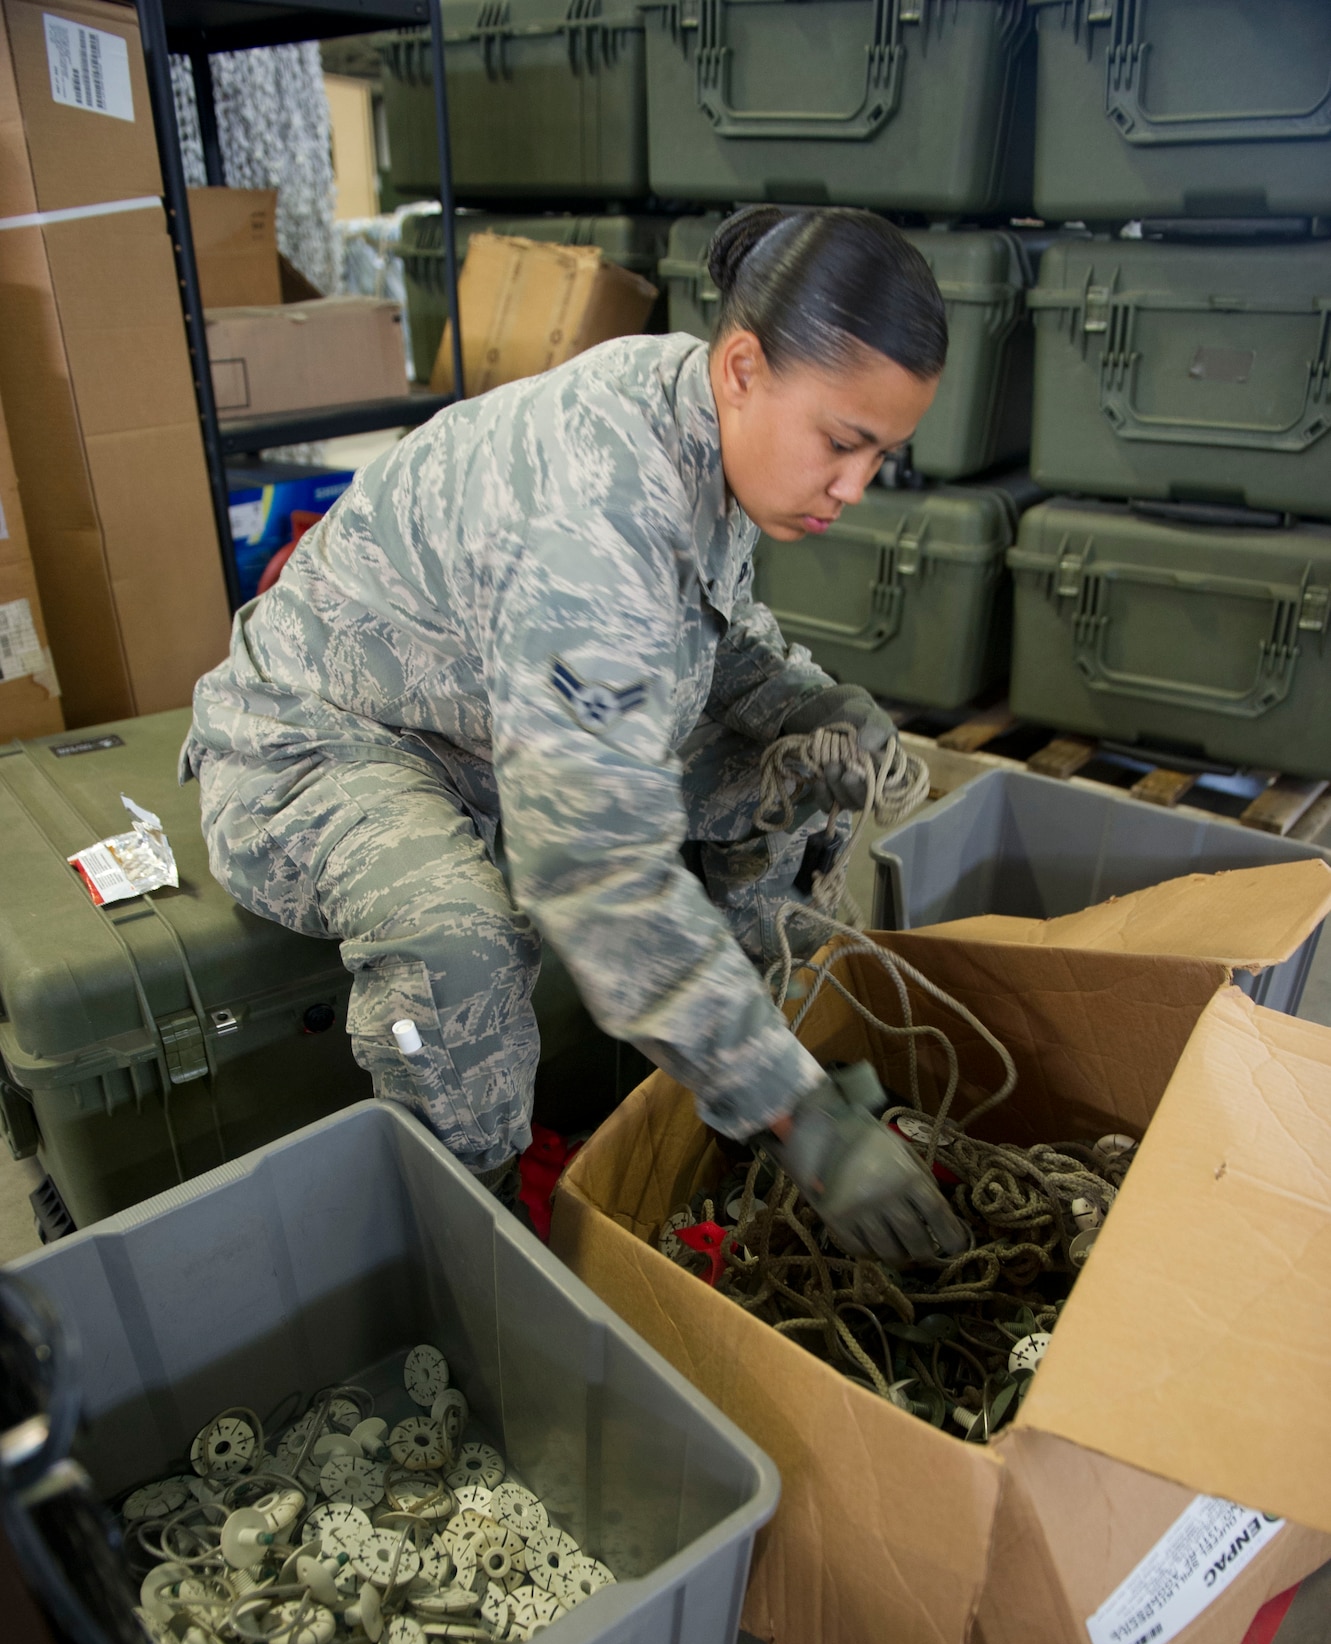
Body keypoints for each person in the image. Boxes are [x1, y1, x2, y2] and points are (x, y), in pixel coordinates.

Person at [182, 206, 965, 1265]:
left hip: (488, 714)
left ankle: (727, 1076)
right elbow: (591, 868)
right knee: (458, 942)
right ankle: (466, 1229)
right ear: (742, 366)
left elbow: (706, 630)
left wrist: (810, 705)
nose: (853, 487)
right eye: (842, 443)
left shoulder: (698, 413)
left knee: (790, 774)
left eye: (882, 455)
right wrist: (807, 1122)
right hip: (332, 737)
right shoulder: (591, 515)